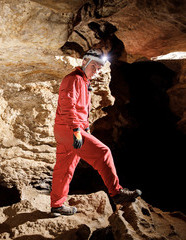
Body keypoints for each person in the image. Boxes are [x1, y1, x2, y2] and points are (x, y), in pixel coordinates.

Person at [50, 49, 141, 217]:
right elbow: (67, 106)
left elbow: (81, 110)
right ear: (84, 62)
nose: (97, 70)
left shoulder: (84, 82)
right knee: (103, 152)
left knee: (64, 169)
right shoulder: (73, 79)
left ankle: (57, 205)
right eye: (94, 66)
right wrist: (77, 130)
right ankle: (117, 193)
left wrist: (84, 128)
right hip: (69, 129)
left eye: (99, 68)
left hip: (67, 129)